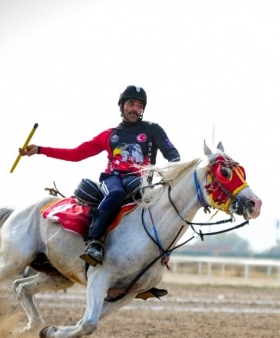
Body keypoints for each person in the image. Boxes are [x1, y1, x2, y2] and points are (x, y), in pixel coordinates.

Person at [18, 85, 181, 266]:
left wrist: (175, 170)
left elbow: (172, 153)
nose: (135, 108)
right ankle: (94, 241)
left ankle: (163, 252)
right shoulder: (109, 135)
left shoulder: (153, 130)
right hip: (113, 179)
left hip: (140, 182)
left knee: (165, 204)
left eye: (139, 105)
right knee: (117, 193)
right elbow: (76, 153)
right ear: (122, 106)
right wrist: (41, 150)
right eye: (131, 104)